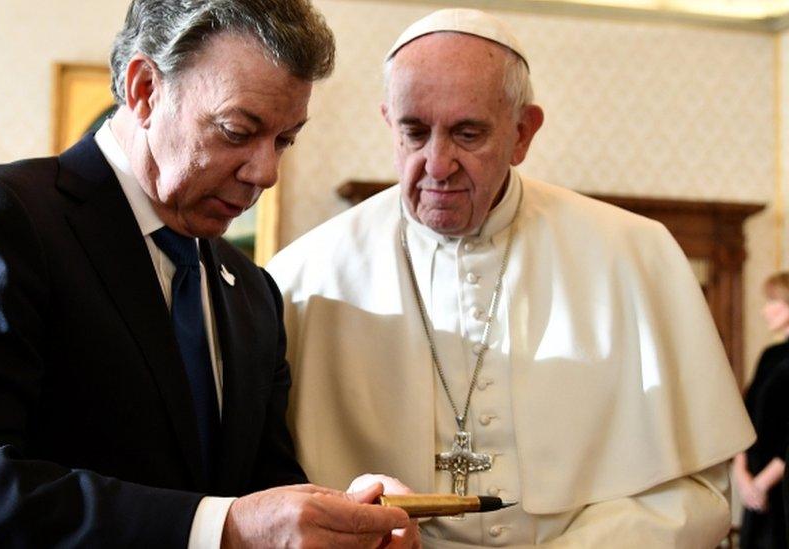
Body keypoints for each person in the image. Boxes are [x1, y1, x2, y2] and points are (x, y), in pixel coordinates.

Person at [0, 1, 410, 547]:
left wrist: (349, 515)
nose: (266, 172)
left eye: (284, 140)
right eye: (236, 130)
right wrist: (220, 528)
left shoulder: (252, 292)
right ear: (143, 90)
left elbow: (260, 495)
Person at [268, 8, 754, 547]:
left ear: (523, 132)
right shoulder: (304, 275)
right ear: (389, 122)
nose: (436, 164)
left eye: (467, 133)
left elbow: (698, 491)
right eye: (413, 132)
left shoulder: (635, 254)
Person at [736, 273, 789, 549]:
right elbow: (746, 415)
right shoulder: (769, 355)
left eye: (772, 301)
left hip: (780, 488)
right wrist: (742, 475)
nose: (764, 309)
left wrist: (761, 484)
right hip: (755, 482)